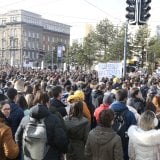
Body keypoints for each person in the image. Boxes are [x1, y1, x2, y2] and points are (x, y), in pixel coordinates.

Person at [15, 91, 68, 160]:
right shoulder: (54, 119)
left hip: (30, 156)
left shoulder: (25, 119)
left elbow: (17, 137)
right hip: (50, 156)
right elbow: (61, 140)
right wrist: (64, 151)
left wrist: (23, 149)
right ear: (47, 103)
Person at [110, 89, 136, 160]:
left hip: (110, 142)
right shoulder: (130, 114)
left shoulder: (108, 112)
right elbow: (133, 131)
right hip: (124, 143)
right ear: (125, 99)